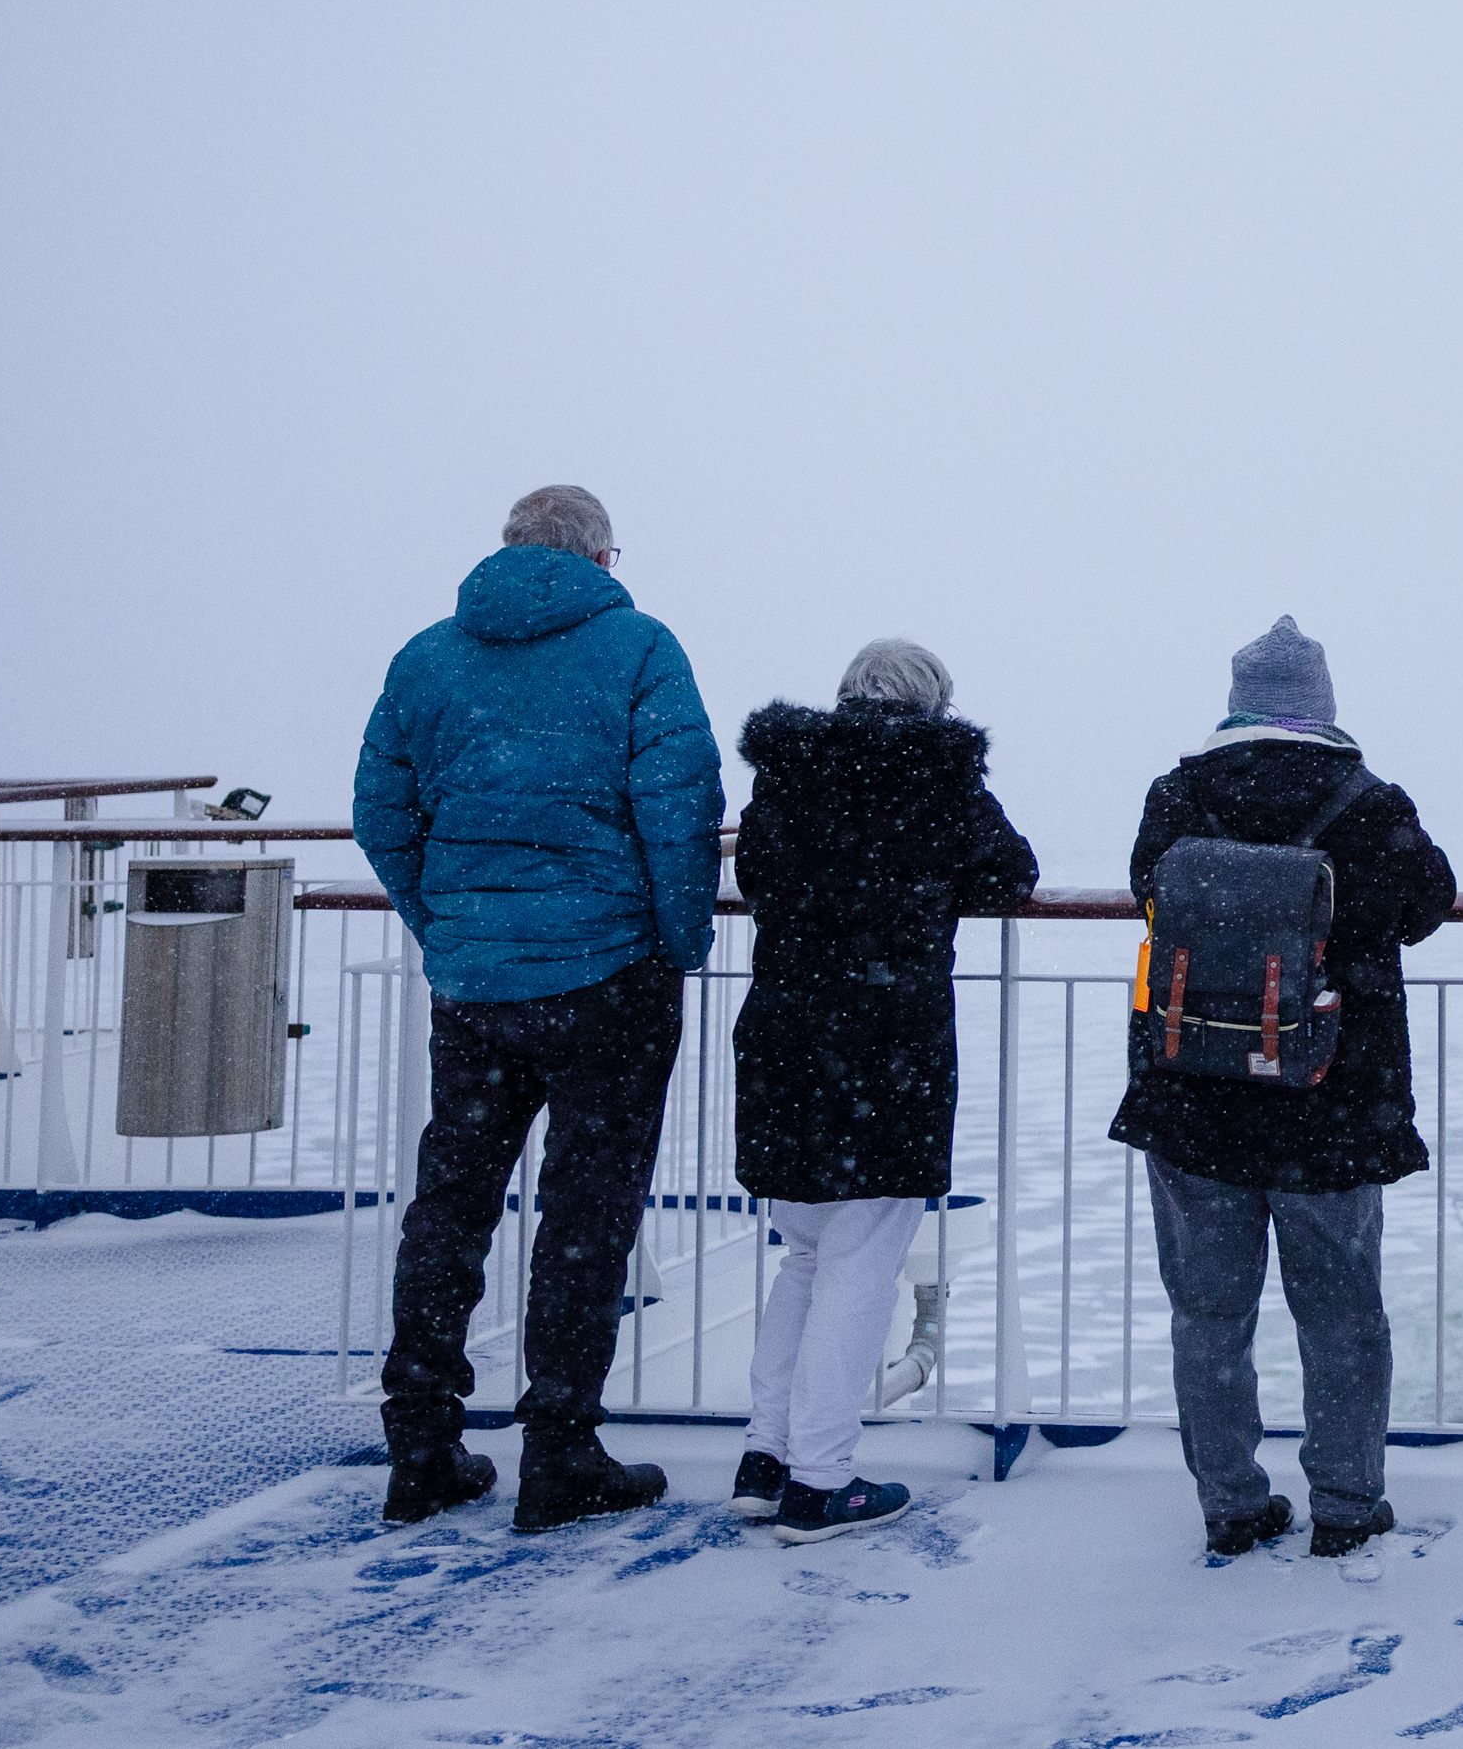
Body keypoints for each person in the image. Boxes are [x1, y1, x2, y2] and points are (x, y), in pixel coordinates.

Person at [353, 485, 723, 1532]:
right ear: (603, 557)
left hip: (475, 986)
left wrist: (450, 922)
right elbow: (680, 802)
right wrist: (676, 940)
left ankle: (421, 1442)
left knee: (452, 1204)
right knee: (585, 1213)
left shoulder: (428, 657)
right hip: (609, 978)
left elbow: (379, 808)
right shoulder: (639, 648)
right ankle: (558, 1449)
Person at [1108, 617, 1455, 1563]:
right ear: (1323, 704)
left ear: (1236, 699)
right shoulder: (1369, 801)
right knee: (1341, 1312)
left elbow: (1149, 885)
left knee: (1210, 1312)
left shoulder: (1177, 793)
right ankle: (1346, 1501)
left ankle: (1230, 1501)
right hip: (1331, 1098)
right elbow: (1428, 904)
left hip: (1195, 1093)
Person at [725, 639, 1039, 1544]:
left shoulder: (785, 773)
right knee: (862, 1257)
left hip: (786, 1036)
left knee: (809, 1252)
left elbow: (756, 877)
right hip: (883, 1046)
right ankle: (821, 1480)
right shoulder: (939, 776)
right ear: (934, 706)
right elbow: (1009, 871)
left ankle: (767, 1455)